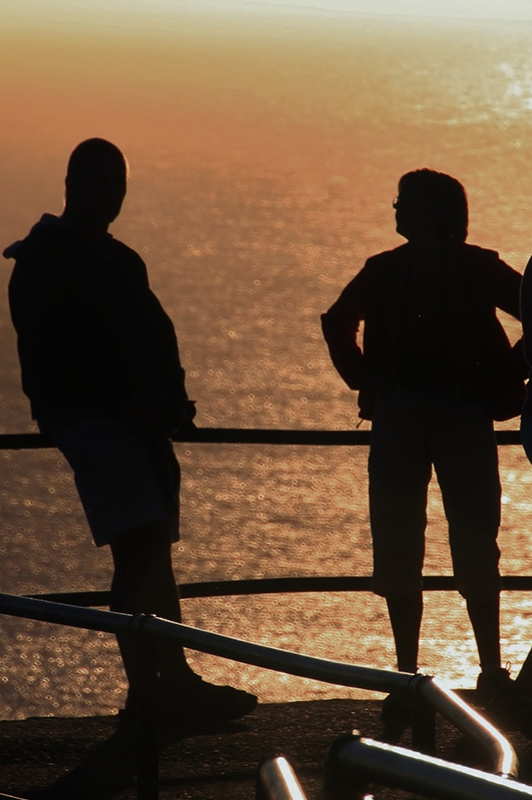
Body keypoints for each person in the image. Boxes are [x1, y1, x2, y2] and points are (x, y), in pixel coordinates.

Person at [4, 137, 257, 724]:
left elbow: (154, 336)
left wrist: (169, 400)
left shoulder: (117, 261)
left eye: (117, 186)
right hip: (89, 416)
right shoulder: (45, 263)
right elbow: (60, 359)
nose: (110, 197)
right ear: (72, 186)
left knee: (147, 550)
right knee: (141, 544)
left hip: (124, 417)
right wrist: (134, 403)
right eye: (100, 184)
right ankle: (155, 688)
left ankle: (164, 684)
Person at [321, 168, 525, 732]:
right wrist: (506, 377)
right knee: (459, 537)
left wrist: (368, 381)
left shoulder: (391, 271)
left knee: (416, 538)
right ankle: (484, 673)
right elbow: (337, 322)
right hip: (453, 416)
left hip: (413, 418)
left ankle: (412, 676)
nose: (395, 208)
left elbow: (338, 323)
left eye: (405, 201)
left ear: (433, 212)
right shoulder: (450, 269)